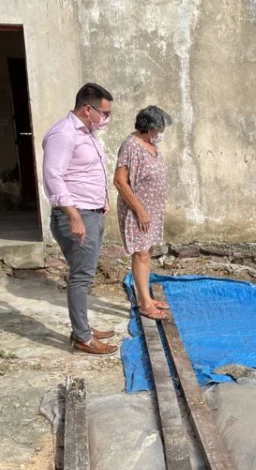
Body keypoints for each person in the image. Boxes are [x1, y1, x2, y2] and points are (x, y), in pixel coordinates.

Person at [42, 83, 118, 355]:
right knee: (81, 276)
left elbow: (87, 172)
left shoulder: (86, 133)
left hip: (92, 211)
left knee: (85, 273)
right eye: (104, 113)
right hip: (76, 214)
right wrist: (74, 216)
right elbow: (53, 177)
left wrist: (103, 201)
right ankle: (83, 338)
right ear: (88, 109)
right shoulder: (63, 134)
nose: (106, 118)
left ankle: (82, 327)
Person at [114, 106, 173, 320]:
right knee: (141, 253)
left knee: (146, 252)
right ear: (149, 127)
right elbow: (120, 181)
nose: (161, 133)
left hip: (152, 210)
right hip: (138, 209)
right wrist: (140, 210)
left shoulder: (148, 144)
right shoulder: (131, 146)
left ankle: (144, 297)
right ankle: (145, 305)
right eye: (159, 128)